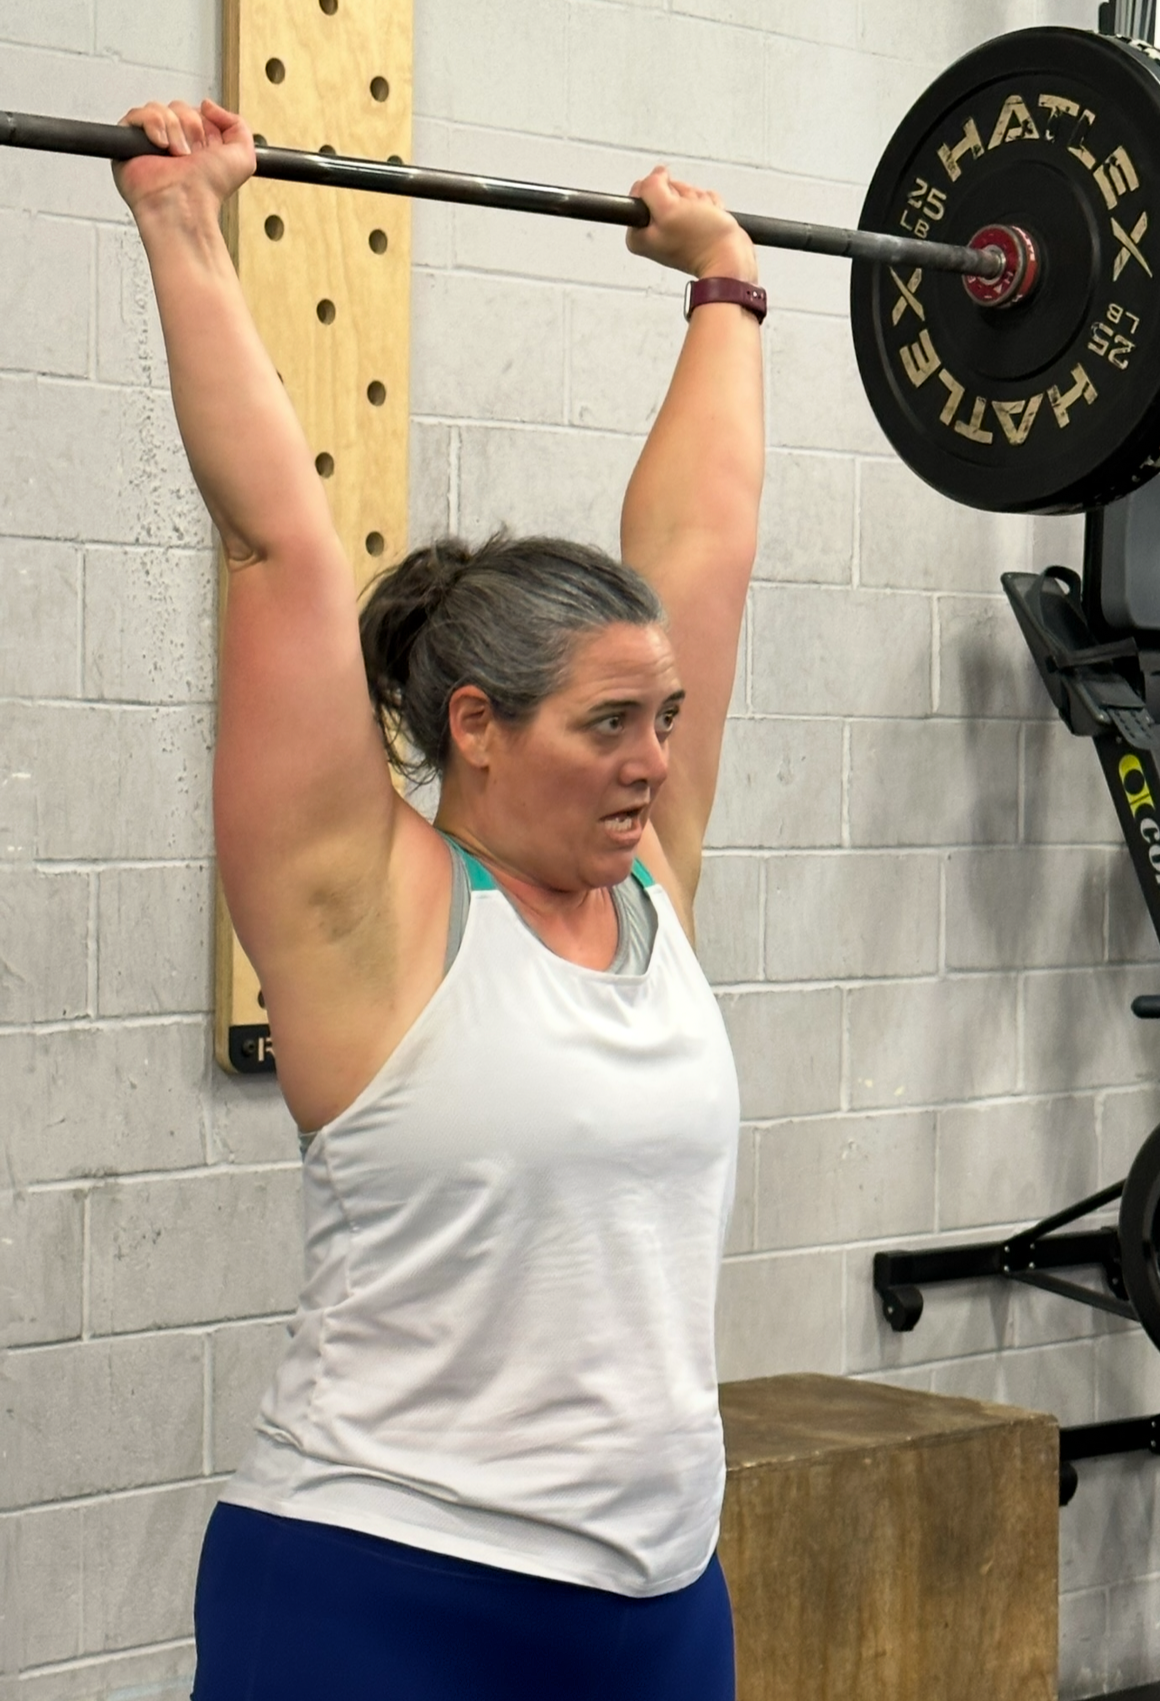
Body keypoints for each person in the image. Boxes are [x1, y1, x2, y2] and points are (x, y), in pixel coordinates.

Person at [113, 96, 764, 1701]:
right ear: (474, 726)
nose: (653, 762)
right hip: (378, 1593)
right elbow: (280, 547)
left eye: (664, 719)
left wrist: (727, 283)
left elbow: (709, 543)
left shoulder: (650, 882)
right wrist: (185, 227)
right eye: (608, 724)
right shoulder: (371, 910)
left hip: (661, 1595)